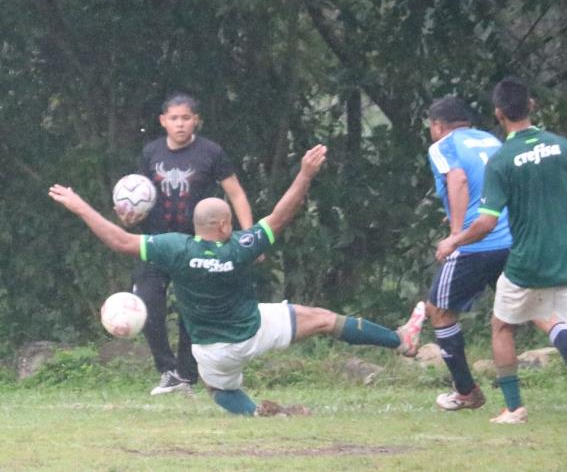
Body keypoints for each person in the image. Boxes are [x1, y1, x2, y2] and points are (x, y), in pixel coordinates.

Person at [50, 145, 426, 416]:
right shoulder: (240, 246)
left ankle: (255, 413)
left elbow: (119, 240)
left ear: (197, 226)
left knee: (219, 389)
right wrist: (306, 174)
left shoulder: (174, 248)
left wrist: (79, 204)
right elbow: (282, 214)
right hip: (256, 328)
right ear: (226, 225)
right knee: (325, 319)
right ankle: (400, 340)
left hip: (210, 350)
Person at [435, 78, 567, 424]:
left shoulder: (502, 159)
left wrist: (454, 238)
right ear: (532, 105)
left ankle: (512, 407)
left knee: (500, 326)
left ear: (498, 113)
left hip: (525, 261)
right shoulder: (559, 146)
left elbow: (485, 222)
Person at [117, 93, 256, 395]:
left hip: (195, 245)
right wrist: (128, 218)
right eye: (174, 118)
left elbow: (236, 194)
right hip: (156, 244)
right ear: (163, 121)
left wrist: (248, 236)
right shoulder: (151, 152)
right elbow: (137, 195)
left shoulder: (211, 152)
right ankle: (166, 369)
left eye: (186, 118)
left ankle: (186, 375)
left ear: (196, 120)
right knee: (147, 306)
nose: (180, 124)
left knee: (190, 312)